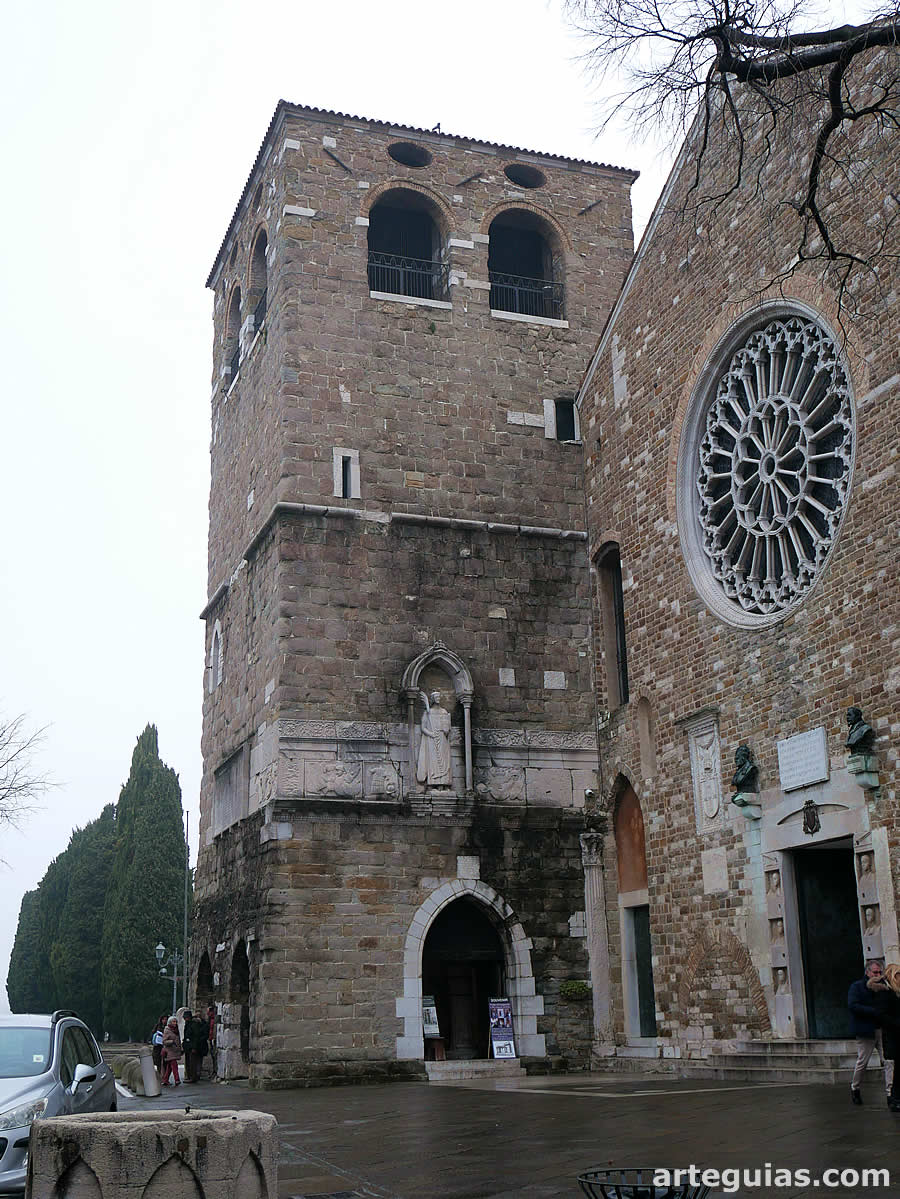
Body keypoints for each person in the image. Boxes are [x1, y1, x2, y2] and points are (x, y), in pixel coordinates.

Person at [848, 959, 894, 1105]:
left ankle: (890, 1092)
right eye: (875, 972)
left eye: (880, 972)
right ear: (867, 972)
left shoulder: (883, 987)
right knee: (863, 1062)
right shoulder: (857, 987)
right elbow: (853, 1005)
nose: (878, 974)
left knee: (888, 1061)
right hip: (866, 1029)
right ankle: (855, 1088)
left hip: (881, 1029)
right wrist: (874, 1011)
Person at [416, 690, 452, 787]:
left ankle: (444, 783)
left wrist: (446, 729)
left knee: (444, 760)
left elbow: (448, 726)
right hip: (432, 739)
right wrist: (431, 734)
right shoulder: (428, 713)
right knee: (433, 760)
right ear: (432, 699)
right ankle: (434, 783)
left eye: (439, 697)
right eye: (436, 697)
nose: (438, 699)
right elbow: (423, 728)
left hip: (442, 738)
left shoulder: (444, 712)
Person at [182, 1009, 209, 1083]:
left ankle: (193, 1077)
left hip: (192, 1046)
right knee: (189, 1062)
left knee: (192, 1062)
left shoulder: (194, 1024)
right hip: (188, 1046)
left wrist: (194, 1047)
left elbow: (195, 1036)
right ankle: (190, 1076)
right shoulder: (188, 1024)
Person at [161, 1017, 183, 1087]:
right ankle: (177, 1079)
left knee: (170, 1067)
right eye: (173, 1022)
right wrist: (171, 1042)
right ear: (170, 1022)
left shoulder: (176, 1030)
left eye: (176, 1022)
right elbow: (164, 1041)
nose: (175, 1023)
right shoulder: (167, 1030)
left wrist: (180, 1048)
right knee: (174, 1065)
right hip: (170, 1051)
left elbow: (178, 1040)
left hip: (175, 1050)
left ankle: (165, 1080)